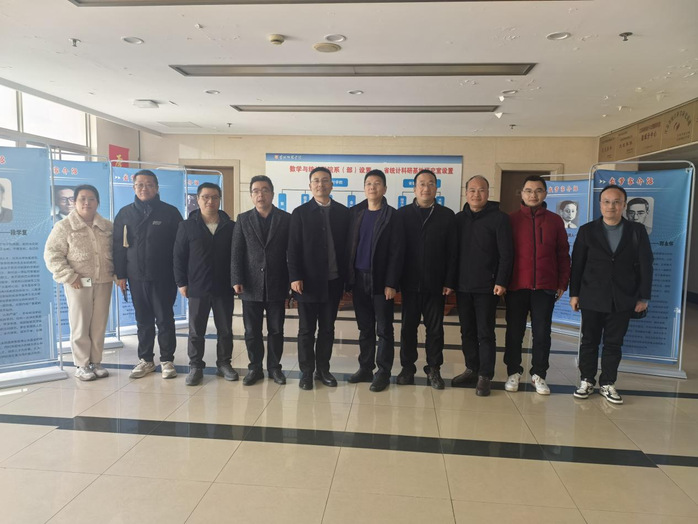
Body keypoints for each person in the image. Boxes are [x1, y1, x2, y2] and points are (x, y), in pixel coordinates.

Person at [570, 184, 653, 405]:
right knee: (589, 341)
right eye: (606, 202)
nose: (611, 206)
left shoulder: (636, 231)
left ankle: (608, 382)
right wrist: (574, 294)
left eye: (616, 202)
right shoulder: (587, 230)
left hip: (623, 297)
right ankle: (587, 380)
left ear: (624, 205)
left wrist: (643, 297)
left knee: (614, 343)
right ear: (600, 205)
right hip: (592, 296)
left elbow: (646, 265)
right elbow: (577, 265)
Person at [113, 169, 183, 379]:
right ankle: (146, 360)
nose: (145, 188)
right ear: (134, 187)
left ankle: (167, 360)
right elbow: (118, 247)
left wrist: (179, 275)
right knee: (143, 320)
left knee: (165, 319)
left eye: (149, 184)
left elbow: (180, 247)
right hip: (136, 276)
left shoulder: (170, 213)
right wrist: (120, 275)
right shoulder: (125, 213)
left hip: (164, 277)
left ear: (157, 188)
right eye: (140, 185)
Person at [505, 175, 570, 395]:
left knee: (542, 333)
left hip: (545, 287)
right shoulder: (511, 220)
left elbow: (563, 254)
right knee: (514, 332)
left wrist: (562, 282)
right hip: (516, 286)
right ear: (522, 193)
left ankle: (539, 374)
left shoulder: (555, 221)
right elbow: (503, 254)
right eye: (529, 190)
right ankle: (513, 371)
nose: (533, 195)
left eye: (538, 190)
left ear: (545, 193)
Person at [287, 166, 350, 390]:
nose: (320, 184)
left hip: (333, 281)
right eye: (316, 181)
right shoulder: (300, 213)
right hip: (307, 283)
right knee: (306, 330)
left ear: (331, 185)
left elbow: (348, 248)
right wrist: (295, 276)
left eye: (325, 180)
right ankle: (306, 371)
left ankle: (323, 369)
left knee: (327, 329)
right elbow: (292, 248)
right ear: (310, 185)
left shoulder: (343, 213)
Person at [44, 185, 114, 381]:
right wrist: (69, 276)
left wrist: (117, 274)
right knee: (80, 323)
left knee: (99, 324)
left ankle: (96, 361)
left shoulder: (108, 227)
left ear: (98, 202)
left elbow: (117, 252)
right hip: (78, 283)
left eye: (91, 199)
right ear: (74, 202)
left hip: (104, 281)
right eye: (82, 198)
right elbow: (52, 254)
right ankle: (82, 364)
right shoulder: (64, 226)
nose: (87, 203)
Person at [395, 169, 457, 390]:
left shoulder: (447, 215)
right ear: (414, 188)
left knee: (435, 330)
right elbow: (396, 251)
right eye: (422, 184)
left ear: (436, 188)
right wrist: (395, 281)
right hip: (409, 283)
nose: (426, 188)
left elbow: (453, 252)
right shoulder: (402, 215)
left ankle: (434, 368)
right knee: (408, 328)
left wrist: (449, 281)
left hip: (436, 284)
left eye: (431, 184)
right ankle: (407, 368)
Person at [452, 175, 513, 396]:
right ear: (466, 193)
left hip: (488, 287)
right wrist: (450, 282)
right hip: (462, 286)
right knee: (466, 330)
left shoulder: (500, 219)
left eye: (481, 190)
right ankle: (472, 368)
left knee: (485, 332)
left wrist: (501, 281)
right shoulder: (458, 219)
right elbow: (452, 253)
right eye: (472, 190)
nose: (476, 194)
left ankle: (485, 374)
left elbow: (507, 254)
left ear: (488, 193)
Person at [346, 170, 404, 392]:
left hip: (381, 281)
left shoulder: (392, 216)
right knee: (365, 327)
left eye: (377, 183)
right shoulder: (356, 213)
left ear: (385, 189)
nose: (372, 187)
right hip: (359, 279)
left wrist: (391, 283)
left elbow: (397, 252)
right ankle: (365, 367)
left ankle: (383, 372)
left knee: (384, 328)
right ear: (364, 188)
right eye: (369, 183)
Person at [174, 182, 237, 386]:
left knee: (225, 329)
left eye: (215, 197)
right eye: (205, 197)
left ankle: (224, 363)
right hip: (197, 286)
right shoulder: (187, 226)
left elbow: (237, 257)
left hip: (223, 286)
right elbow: (178, 256)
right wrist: (181, 282)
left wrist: (237, 280)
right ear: (198, 199)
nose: (210, 201)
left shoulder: (231, 226)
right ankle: (196, 366)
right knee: (196, 330)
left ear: (220, 200)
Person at [231, 175, 291, 386]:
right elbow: (236, 251)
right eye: (256, 191)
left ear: (272, 193)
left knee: (276, 330)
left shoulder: (286, 219)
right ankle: (254, 368)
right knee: (251, 331)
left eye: (265, 190)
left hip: (277, 282)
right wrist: (236, 278)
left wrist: (291, 281)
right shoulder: (243, 219)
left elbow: (291, 252)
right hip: (250, 284)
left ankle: (275, 368)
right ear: (251, 195)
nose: (260, 194)